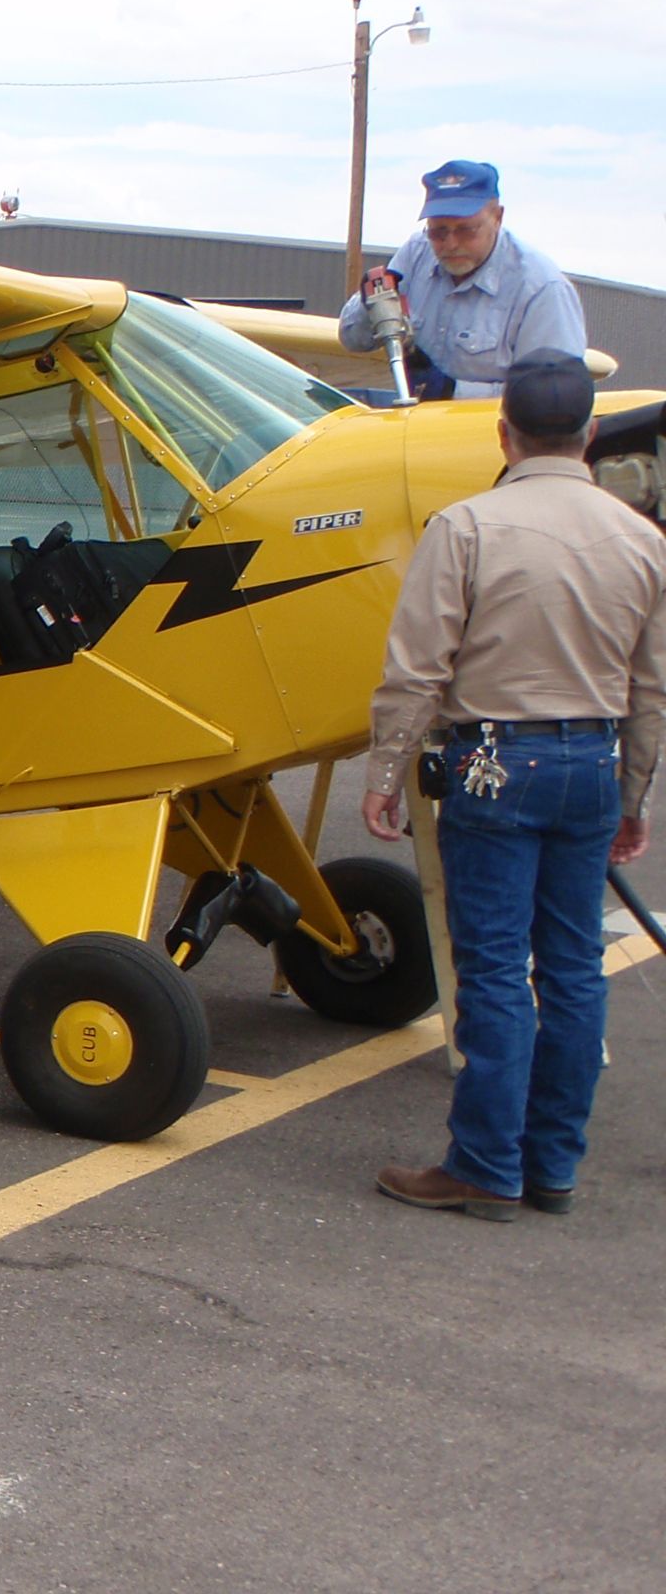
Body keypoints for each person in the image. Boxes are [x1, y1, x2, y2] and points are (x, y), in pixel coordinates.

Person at [361, 351, 666, 1219]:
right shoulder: (643, 541)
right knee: (575, 968)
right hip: (593, 762)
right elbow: (653, 690)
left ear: (505, 433)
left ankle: (485, 1165)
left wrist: (386, 770)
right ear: (592, 436)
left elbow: (417, 669)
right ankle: (552, 1166)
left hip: (495, 759)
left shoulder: (467, 527)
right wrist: (634, 797)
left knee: (494, 967)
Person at [338, 160, 587, 398]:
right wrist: (369, 303)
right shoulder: (416, 252)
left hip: (494, 435)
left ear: (498, 218)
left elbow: (553, 397)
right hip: (417, 426)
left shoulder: (541, 289)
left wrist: (453, 391)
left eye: (466, 230)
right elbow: (352, 340)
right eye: (438, 231)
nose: (451, 244)